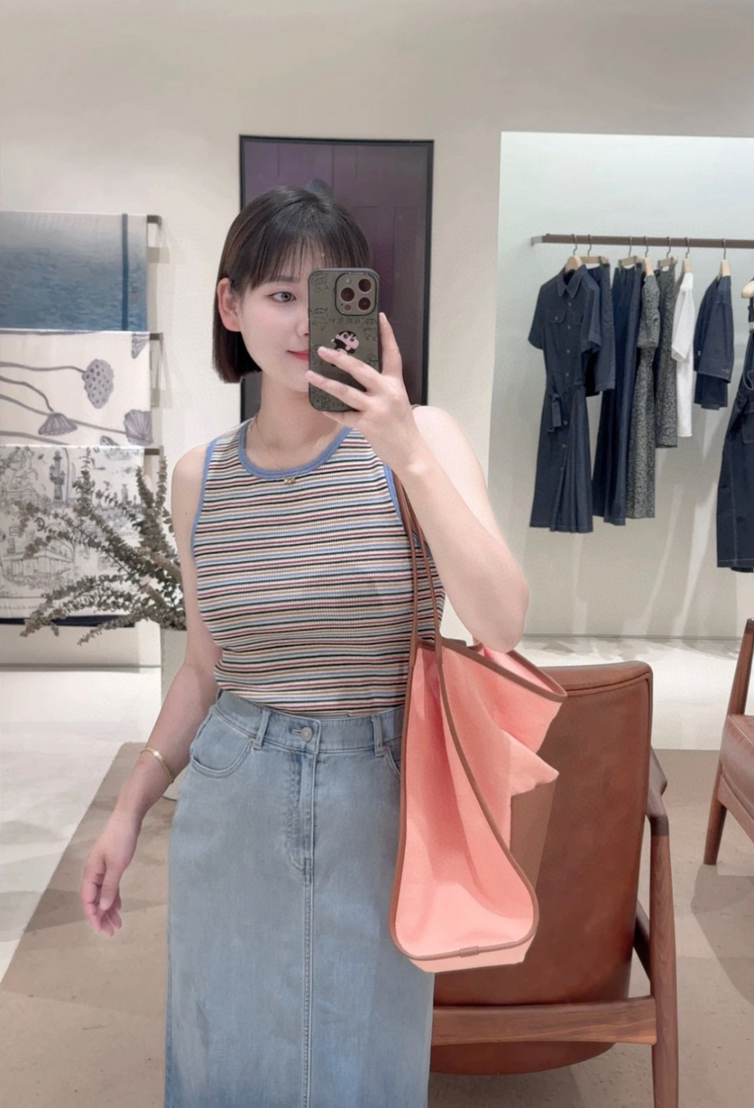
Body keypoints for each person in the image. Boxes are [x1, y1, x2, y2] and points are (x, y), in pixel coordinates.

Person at [80, 185, 528, 1108]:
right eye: (280, 294)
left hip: (382, 793)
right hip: (234, 790)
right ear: (230, 304)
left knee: (364, 1063)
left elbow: (501, 623)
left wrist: (406, 450)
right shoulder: (202, 476)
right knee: (226, 1052)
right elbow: (205, 667)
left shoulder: (424, 439)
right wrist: (127, 811)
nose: (301, 323)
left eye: (324, 295)